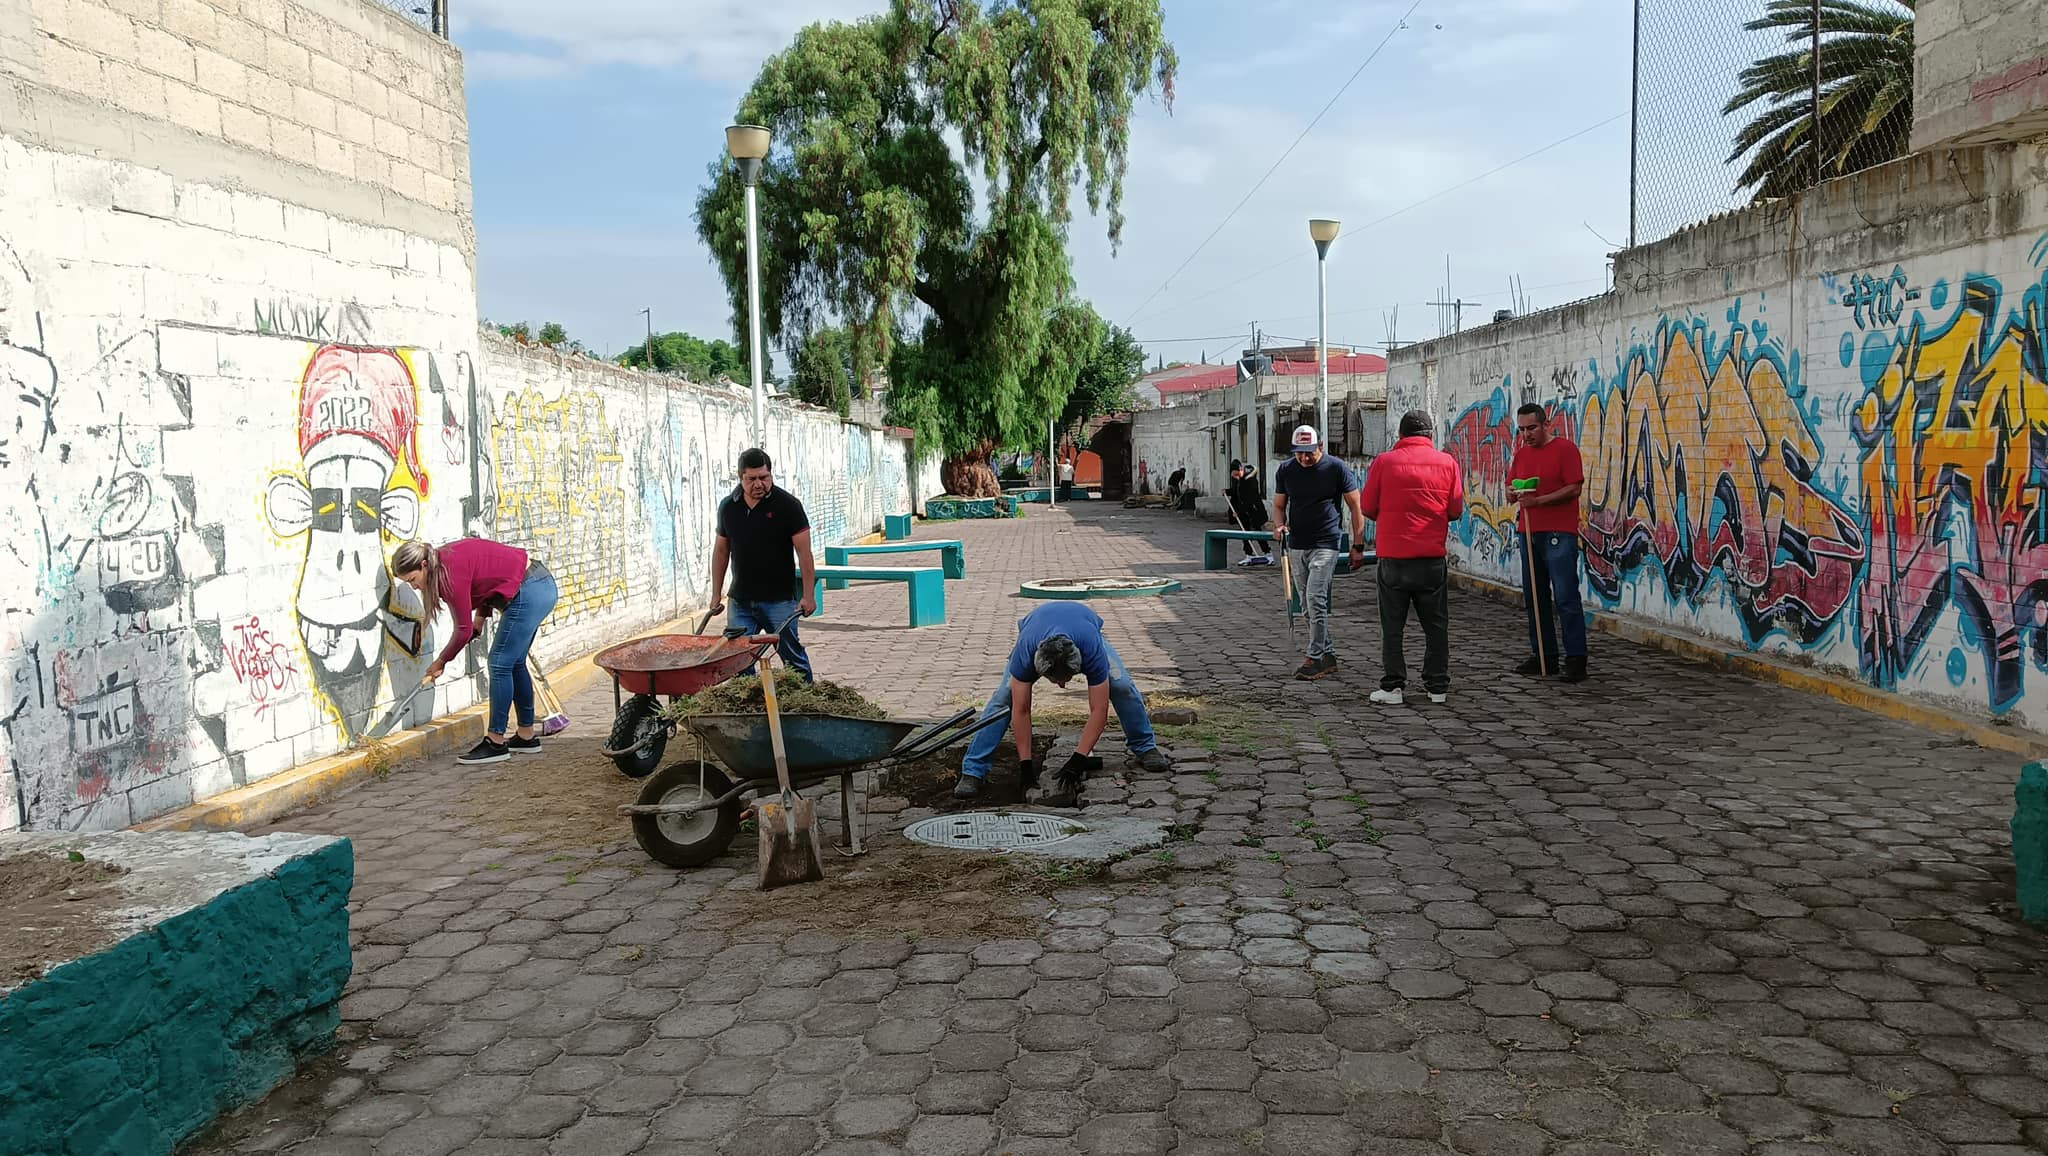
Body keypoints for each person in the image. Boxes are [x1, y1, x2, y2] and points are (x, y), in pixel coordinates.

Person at [955, 601, 1172, 800]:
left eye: (1066, 680)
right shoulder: (1026, 653)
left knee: (1121, 685)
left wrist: (1078, 760)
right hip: (1036, 628)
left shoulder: (1091, 648)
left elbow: (1099, 710)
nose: (1061, 686)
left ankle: (1145, 746)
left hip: (1084, 627)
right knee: (1004, 699)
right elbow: (1021, 711)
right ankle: (973, 770)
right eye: (1056, 681)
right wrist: (1026, 766)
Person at [394, 537, 559, 766]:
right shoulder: (446, 558)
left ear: (423, 565)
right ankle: (526, 737)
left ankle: (495, 742)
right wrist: (480, 619)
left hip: (529, 592)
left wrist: (441, 661)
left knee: (499, 664)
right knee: (514, 662)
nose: (415, 587)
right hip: (540, 584)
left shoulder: (448, 574)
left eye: (413, 580)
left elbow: (462, 630)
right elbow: (490, 580)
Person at [1360, 410, 1464, 705]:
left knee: (1393, 627)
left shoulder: (1384, 462)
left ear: (1401, 435)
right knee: (1436, 626)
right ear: (1430, 435)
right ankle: (1437, 687)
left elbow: (1367, 507)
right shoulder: (1448, 463)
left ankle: (1392, 686)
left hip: (1394, 558)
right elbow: (1455, 510)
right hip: (1431, 558)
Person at [709, 448, 819, 681]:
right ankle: (751, 708)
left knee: (792, 656)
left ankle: (807, 705)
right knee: (738, 659)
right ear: (740, 477)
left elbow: (805, 554)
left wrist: (808, 595)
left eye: (764, 477)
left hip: (779, 600)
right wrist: (715, 595)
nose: (759, 484)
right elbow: (721, 551)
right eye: (752, 479)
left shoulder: (788, 506)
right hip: (740, 601)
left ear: (770, 475)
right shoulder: (728, 507)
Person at [1272, 425, 1367, 680]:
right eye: (1299, 453)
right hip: (1297, 544)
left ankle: (1313, 657)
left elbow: (1356, 506)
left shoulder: (1336, 468)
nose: (1304, 458)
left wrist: (1358, 544)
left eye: (1309, 453)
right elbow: (1279, 505)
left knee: (1315, 598)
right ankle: (1327, 653)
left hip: (1326, 543)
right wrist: (1279, 525)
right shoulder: (1286, 470)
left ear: (1320, 447)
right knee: (1305, 604)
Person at [1510, 402, 1589, 682]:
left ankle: (1576, 657)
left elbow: (1574, 487)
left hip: (1559, 531)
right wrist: (1512, 494)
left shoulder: (1565, 449)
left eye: (1531, 428)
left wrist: (1539, 501)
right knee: (1534, 596)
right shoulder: (1520, 455)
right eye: (1521, 429)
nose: (1526, 434)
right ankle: (1544, 655)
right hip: (1528, 530)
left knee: (1566, 596)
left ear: (1546, 424)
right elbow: (1512, 487)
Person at [1225, 459, 1272, 566]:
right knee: (1244, 532)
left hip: (1255, 511)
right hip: (1244, 512)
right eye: (1234, 476)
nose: (1236, 477)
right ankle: (1249, 555)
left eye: (1237, 474)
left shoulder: (1250, 480)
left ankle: (1268, 554)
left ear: (1241, 470)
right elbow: (1236, 491)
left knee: (1257, 532)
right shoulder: (1239, 479)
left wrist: (1239, 511)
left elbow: (1249, 499)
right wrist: (1227, 491)